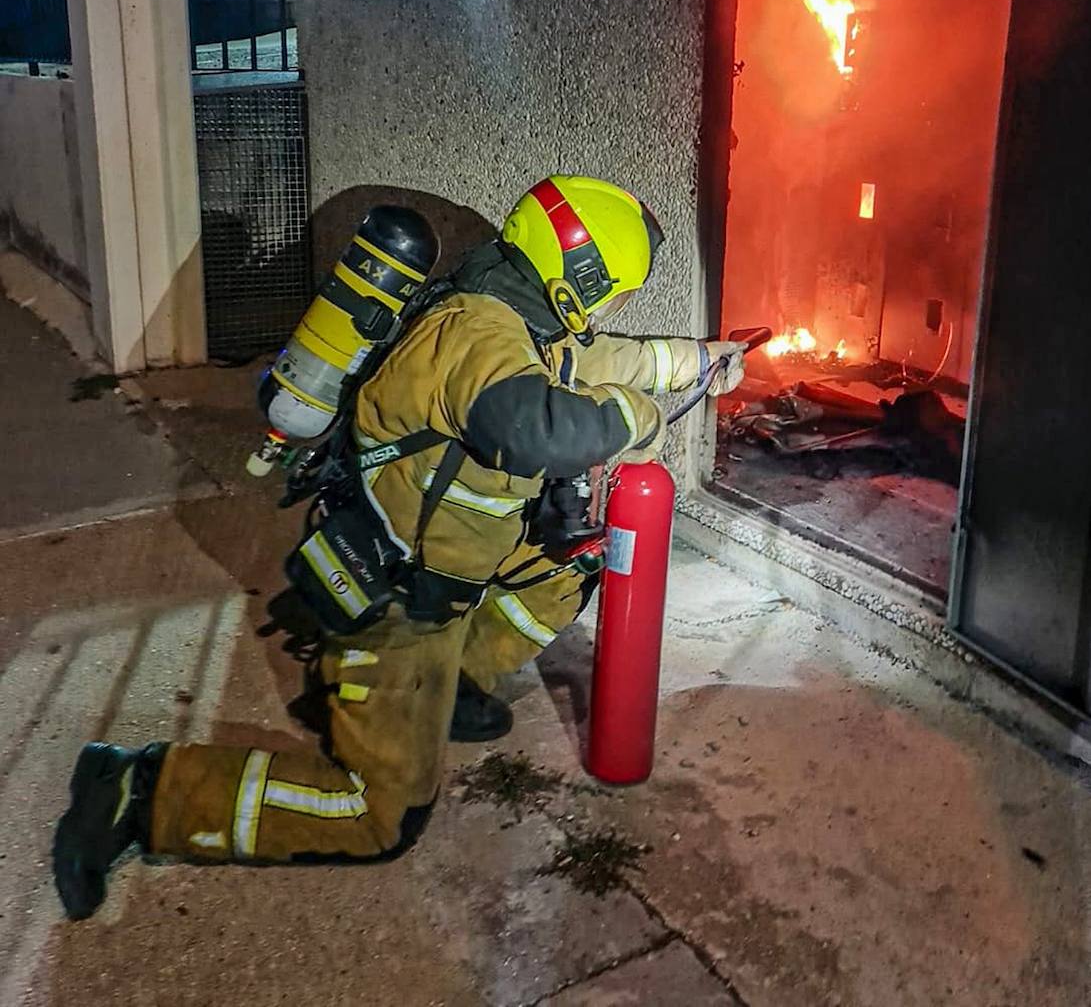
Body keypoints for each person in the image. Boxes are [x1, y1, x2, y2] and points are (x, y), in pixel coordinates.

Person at [53, 175, 746, 918]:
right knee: (378, 818)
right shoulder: (480, 338)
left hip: (445, 563)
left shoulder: (507, 313)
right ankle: (138, 791)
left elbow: (597, 361)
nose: (611, 310)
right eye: (613, 291)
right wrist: (638, 416)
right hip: (395, 595)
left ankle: (454, 689)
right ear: (579, 282)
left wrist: (699, 358)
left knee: (566, 563)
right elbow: (535, 427)